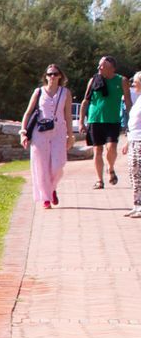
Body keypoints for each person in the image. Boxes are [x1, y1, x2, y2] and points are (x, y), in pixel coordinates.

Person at [20, 64, 72, 209]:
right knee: (41, 165)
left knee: (57, 165)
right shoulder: (39, 92)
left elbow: (68, 116)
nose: (52, 77)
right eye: (49, 74)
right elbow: (28, 112)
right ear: (46, 76)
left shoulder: (65, 93)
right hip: (40, 131)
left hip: (59, 131)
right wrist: (23, 132)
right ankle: (46, 197)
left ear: (60, 76)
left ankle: (52, 188)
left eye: (55, 74)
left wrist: (70, 135)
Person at [81, 56, 123, 188]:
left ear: (112, 68)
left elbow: (127, 101)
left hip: (112, 120)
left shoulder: (121, 81)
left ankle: (110, 168)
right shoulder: (93, 80)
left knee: (111, 148)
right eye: (99, 65)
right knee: (97, 150)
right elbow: (85, 101)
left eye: (102, 66)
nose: (99, 68)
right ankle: (99, 180)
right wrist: (82, 121)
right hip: (95, 120)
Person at [128, 70, 141, 218]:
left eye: (135, 82)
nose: (133, 84)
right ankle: (136, 204)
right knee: (133, 173)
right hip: (133, 139)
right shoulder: (138, 99)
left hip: (140, 141)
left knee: (139, 174)